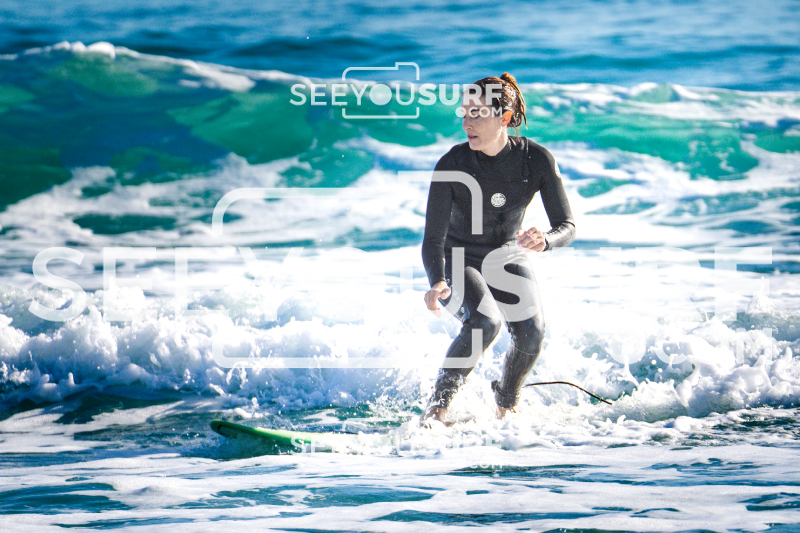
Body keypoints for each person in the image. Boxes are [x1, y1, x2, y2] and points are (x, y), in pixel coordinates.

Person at [420, 72, 576, 426]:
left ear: (504, 118)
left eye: (476, 114)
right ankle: (436, 411)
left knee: (532, 331)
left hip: (506, 254)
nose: (466, 123)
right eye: (464, 113)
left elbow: (567, 226)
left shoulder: (536, 160)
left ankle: (506, 403)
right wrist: (438, 280)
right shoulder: (452, 164)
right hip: (458, 257)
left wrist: (546, 239)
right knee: (484, 323)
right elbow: (433, 239)